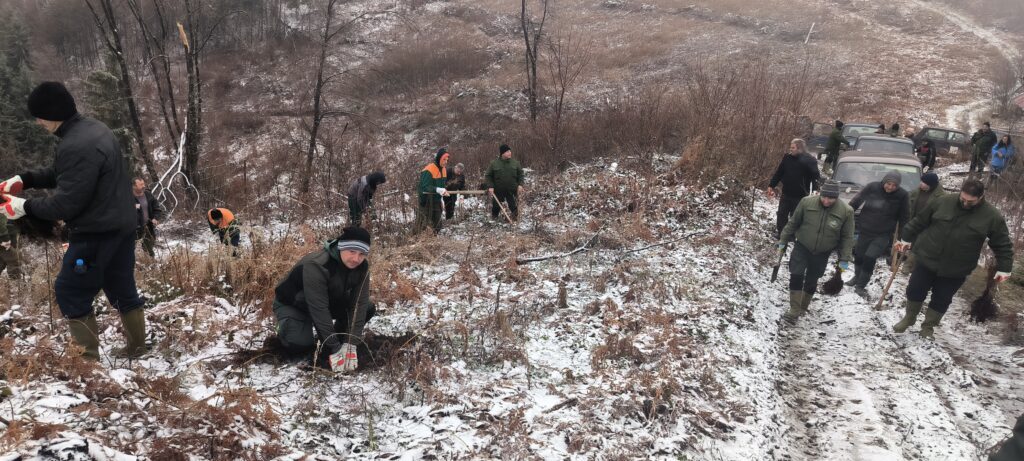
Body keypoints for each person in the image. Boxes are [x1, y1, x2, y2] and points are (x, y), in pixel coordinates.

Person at [0, 82, 145, 359]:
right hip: (122, 225)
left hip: (95, 232)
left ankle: (88, 363)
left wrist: (23, 207)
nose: (38, 122)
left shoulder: (75, 145)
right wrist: (25, 179)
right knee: (122, 286)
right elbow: (64, 173)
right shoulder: (93, 129)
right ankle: (137, 348)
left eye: (40, 116)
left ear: (52, 114)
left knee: (70, 291)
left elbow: (65, 205)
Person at [893, 179, 1014, 338]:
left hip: (957, 267)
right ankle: (909, 318)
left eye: (970, 201)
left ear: (981, 197)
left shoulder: (991, 216)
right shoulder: (943, 202)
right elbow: (919, 221)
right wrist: (905, 239)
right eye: (962, 199)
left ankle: (928, 327)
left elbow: (1002, 243)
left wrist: (1004, 267)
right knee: (915, 289)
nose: (965, 203)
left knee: (942, 298)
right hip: (928, 257)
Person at [272, 227, 374, 372]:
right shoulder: (317, 264)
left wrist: (350, 344)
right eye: (352, 251)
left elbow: (359, 303)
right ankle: (285, 326)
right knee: (299, 344)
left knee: (368, 308)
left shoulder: (362, 267)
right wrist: (333, 348)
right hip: (294, 304)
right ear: (341, 247)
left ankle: (338, 335)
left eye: (362, 254)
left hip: (327, 300)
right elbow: (318, 308)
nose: (356, 259)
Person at [777, 180, 854, 323]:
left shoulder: (846, 211)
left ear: (836, 197)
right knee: (796, 274)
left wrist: (845, 258)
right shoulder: (806, 203)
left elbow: (847, 236)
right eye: (824, 197)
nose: (826, 200)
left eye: (830, 198)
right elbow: (793, 222)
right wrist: (783, 240)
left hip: (823, 252)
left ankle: (803, 306)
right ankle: (794, 309)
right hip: (802, 246)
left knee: (812, 278)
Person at [845, 172, 909, 296]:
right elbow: (856, 201)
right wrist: (846, 213)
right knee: (859, 256)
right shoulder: (872, 187)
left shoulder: (902, 195)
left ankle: (861, 285)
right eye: (888, 184)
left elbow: (904, 218)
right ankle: (856, 277)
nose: (890, 187)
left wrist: (902, 241)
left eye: (894, 185)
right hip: (865, 230)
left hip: (883, 234)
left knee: (870, 257)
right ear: (883, 181)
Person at [767, 138, 820, 236]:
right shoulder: (787, 158)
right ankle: (781, 234)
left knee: (796, 217)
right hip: (786, 192)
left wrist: (816, 189)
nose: (790, 149)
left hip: (801, 195)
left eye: (793, 148)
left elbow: (815, 176)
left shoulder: (809, 160)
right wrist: (771, 185)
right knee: (782, 214)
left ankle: (793, 235)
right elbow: (779, 172)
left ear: (799, 148)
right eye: (790, 147)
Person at [903, 173, 945, 273]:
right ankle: (897, 257)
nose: (921, 184)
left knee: (918, 245)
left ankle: (908, 265)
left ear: (931, 185)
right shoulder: (916, 192)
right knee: (905, 240)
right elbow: (909, 203)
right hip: (913, 221)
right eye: (921, 181)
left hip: (926, 225)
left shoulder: (941, 197)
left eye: (924, 183)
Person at [485, 144, 525, 221]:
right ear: (502, 153)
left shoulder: (515, 163)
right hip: (498, 190)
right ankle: (494, 219)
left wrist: (520, 185)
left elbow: (521, 175)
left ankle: (515, 219)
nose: (509, 153)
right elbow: (488, 175)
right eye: (507, 151)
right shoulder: (494, 163)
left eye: (510, 151)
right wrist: (490, 186)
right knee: (496, 206)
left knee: (513, 206)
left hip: (512, 190)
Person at [416, 148, 450, 233]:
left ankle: (433, 241)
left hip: (436, 200)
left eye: (447, 159)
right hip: (426, 201)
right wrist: (438, 190)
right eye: (444, 159)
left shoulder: (444, 170)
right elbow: (425, 187)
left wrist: (441, 199)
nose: (446, 162)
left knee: (437, 225)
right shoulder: (429, 170)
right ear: (439, 158)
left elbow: (442, 187)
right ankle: (418, 241)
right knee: (423, 224)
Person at [132, 178, 164, 258]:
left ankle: (150, 263)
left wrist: (155, 218)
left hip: (148, 226)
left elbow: (157, 208)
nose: (144, 186)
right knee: (129, 249)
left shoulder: (148, 194)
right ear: (134, 186)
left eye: (144, 184)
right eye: (141, 185)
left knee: (149, 248)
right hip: (133, 229)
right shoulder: (127, 197)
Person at [0, 212, 21, 280]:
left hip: (10, 234)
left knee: (2, 261)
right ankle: (16, 285)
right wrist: (4, 239)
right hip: (4, 238)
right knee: (12, 258)